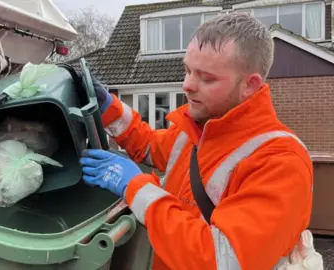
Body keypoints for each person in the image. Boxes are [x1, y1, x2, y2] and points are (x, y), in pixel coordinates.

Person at [79, 13, 323, 270]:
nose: (187, 85)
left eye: (206, 78)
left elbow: (221, 260)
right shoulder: (198, 130)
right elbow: (149, 145)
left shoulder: (280, 161)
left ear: (250, 85)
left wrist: (134, 187)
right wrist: (108, 108)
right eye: (187, 70)